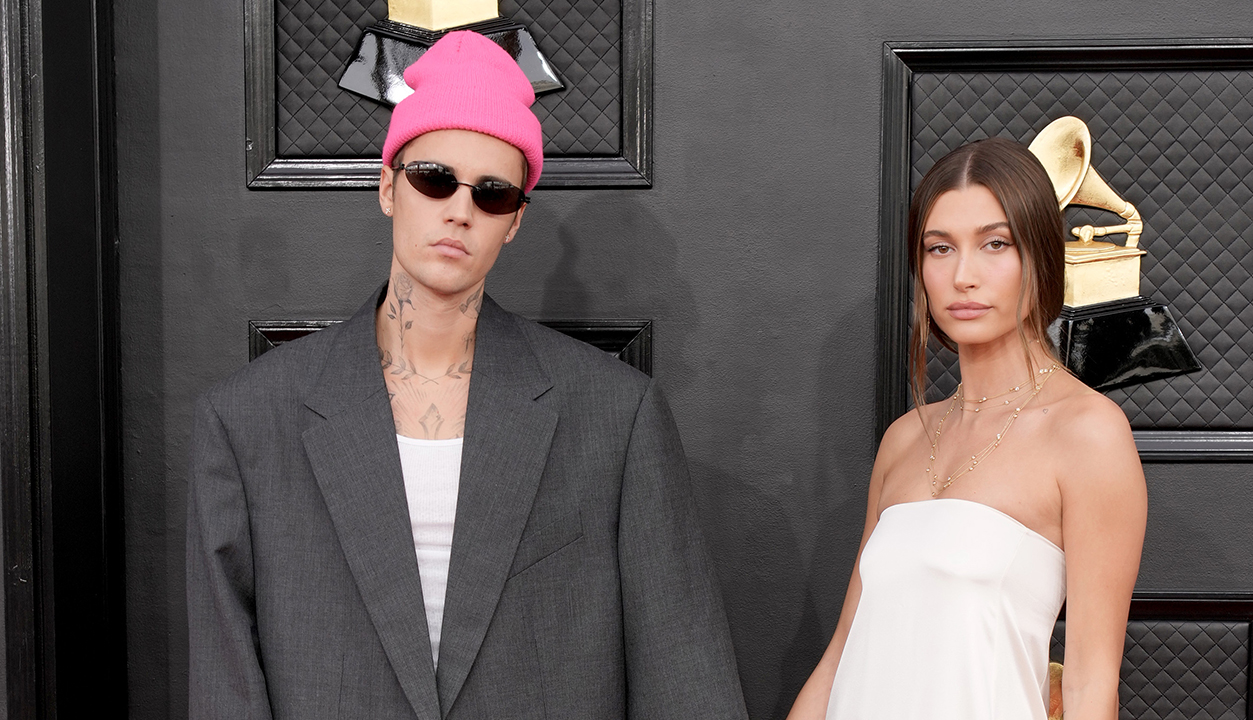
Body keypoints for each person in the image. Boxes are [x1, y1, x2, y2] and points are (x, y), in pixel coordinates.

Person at [187, 31, 747, 720]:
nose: (459, 210)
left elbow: (682, 668)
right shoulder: (249, 419)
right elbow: (226, 685)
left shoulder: (612, 414)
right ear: (388, 186)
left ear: (513, 222)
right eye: (434, 178)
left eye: (492, 194)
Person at [787, 138, 1147, 719]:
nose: (963, 276)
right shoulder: (904, 439)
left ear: (1041, 258)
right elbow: (840, 657)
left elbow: (1089, 686)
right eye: (939, 248)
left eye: (995, 244)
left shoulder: (1088, 434)